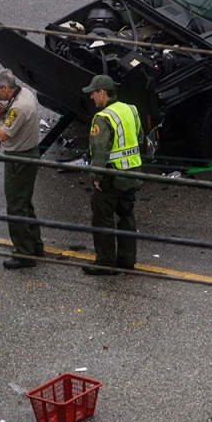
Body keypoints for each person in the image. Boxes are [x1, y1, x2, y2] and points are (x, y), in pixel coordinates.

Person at [0, 69, 45, 269]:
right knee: (24, 203)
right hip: (29, 154)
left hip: (19, 159)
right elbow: (6, 114)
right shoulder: (24, 95)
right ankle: (35, 245)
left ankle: (25, 254)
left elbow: (1, 136)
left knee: (16, 207)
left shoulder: (20, 108)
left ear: (6, 87)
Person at [80, 75, 145, 276]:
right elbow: (141, 140)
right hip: (132, 173)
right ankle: (127, 261)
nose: (91, 97)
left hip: (112, 176)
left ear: (102, 93)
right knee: (126, 215)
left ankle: (106, 263)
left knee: (102, 217)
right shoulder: (131, 110)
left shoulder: (103, 117)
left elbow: (100, 150)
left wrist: (96, 177)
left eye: (93, 93)